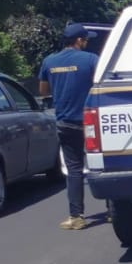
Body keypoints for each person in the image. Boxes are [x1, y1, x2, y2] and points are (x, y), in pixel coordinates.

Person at [39, 23, 100, 230]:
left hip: (65, 121)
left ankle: (76, 216)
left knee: (74, 168)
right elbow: (100, 84)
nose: (87, 42)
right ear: (79, 41)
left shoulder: (49, 61)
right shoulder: (91, 59)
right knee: (102, 164)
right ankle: (112, 210)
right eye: (85, 39)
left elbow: (44, 90)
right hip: (90, 121)